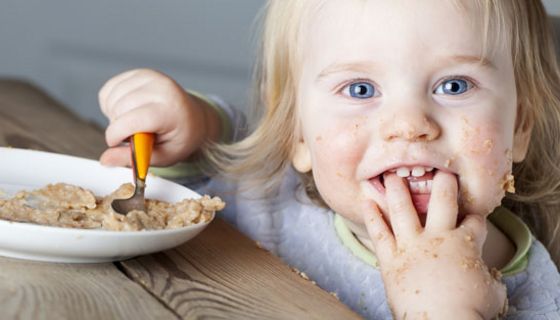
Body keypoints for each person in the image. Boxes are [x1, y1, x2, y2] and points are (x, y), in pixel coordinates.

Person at [97, 0, 560, 318]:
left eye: (454, 86)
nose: (409, 124)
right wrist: (197, 123)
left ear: (520, 125)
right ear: (296, 129)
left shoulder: (538, 297)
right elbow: (219, 163)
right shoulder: (274, 207)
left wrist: (446, 310)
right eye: (360, 89)